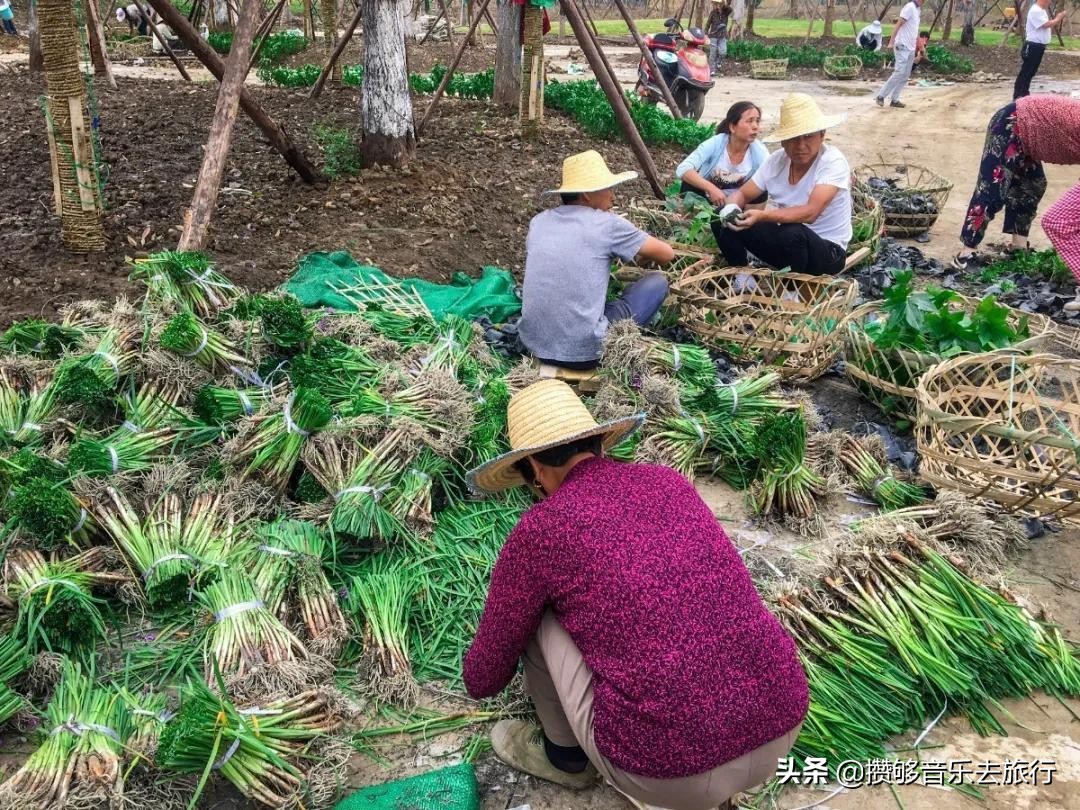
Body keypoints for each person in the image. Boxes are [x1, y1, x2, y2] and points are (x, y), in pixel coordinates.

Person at [463, 379, 809, 808]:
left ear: (533, 468)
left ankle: (565, 759)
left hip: (668, 772)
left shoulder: (542, 529)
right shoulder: (669, 483)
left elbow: (482, 679)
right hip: (782, 724)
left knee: (539, 616)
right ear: (598, 443)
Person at [517, 151, 675, 371]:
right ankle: (614, 349)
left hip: (533, 343)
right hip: (585, 353)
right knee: (657, 283)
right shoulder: (607, 225)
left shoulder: (539, 222)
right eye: (608, 188)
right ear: (587, 195)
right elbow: (666, 254)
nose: (613, 196)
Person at [711, 93, 853, 276]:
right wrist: (730, 208)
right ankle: (743, 275)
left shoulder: (832, 161)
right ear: (783, 141)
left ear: (822, 135)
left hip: (827, 252)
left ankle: (791, 291)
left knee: (792, 232)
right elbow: (743, 195)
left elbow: (811, 212)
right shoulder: (776, 162)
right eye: (794, 138)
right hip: (789, 250)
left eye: (808, 136)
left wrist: (763, 216)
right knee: (721, 219)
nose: (800, 145)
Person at [952, 94, 1080, 270]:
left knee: (1032, 185)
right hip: (1013, 122)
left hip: (1031, 135)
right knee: (993, 187)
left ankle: (1018, 248)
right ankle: (966, 253)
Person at [675, 101, 769, 207]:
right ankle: (693, 218)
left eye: (757, 121)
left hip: (736, 204)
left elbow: (769, 179)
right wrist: (711, 188)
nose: (755, 126)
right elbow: (683, 168)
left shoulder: (760, 152)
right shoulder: (716, 143)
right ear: (733, 127)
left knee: (762, 189)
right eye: (750, 121)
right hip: (706, 201)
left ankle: (748, 222)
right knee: (688, 183)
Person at [875, 0, 923, 109]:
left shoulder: (917, 9)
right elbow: (898, 24)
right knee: (899, 72)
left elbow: (914, 29)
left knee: (905, 75)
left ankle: (895, 100)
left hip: (910, 48)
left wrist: (920, 45)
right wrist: (891, 42)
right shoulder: (909, 7)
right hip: (902, 45)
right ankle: (881, 96)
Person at [1013, 0, 1066, 99]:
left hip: (1039, 46)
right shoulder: (1035, 11)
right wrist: (1058, 18)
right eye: (1049, 0)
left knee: (1031, 71)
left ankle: (1024, 93)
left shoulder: (1041, 10)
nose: (1050, 2)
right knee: (1026, 72)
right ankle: (1018, 95)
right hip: (1033, 46)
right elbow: (1045, 25)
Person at [705, 0, 731, 76]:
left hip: (722, 36)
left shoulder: (726, 12)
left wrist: (724, 3)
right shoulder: (713, 13)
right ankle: (712, 70)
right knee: (713, 53)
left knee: (723, 52)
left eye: (719, 4)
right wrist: (706, 34)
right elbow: (708, 24)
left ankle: (718, 63)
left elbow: (730, 9)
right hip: (713, 35)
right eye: (716, 4)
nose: (718, 5)